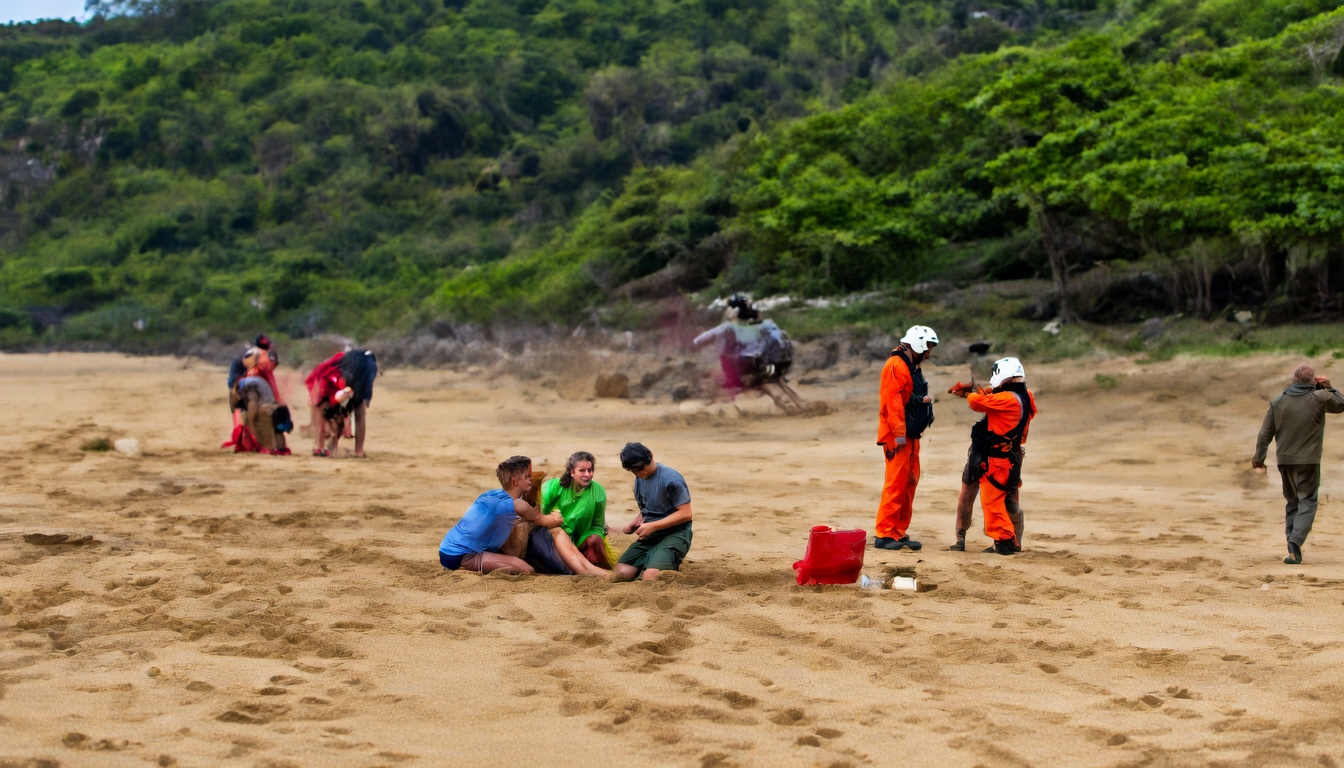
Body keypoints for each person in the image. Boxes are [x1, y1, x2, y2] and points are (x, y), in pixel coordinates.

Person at [438, 456, 609, 576]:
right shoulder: (517, 504)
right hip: (463, 556)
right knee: (525, 569)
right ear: (515, 482)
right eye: (527, 477)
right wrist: (554, 517)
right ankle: (467, 568)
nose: (530, 480)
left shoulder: (491, 494)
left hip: (447, 548)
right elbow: (546, 520)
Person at [1252, 363, 1344, 564]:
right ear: (1313, 382)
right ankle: (1295, 540)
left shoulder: (1278, 402)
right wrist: (1328, 386)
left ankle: (1292, 549)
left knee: (1292, 502)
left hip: (1285, 462)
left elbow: (1264, 435)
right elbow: (1341, 405)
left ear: (1294, 381)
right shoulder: (1319, 397)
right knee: (1308, 501)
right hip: (1309, 461)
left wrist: (1259, 459)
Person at [949, 357, 1037, 555]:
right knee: (1008, 501)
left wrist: (969, 393)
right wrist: (980, 390)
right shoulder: (1025, 395)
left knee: (991, 501)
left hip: (995, 459)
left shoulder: (1007, 400)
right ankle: (1011, 541)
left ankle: (1004, 540)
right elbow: (993, 398)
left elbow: (979, 403)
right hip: (1010, 456)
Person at [874, 325, 938, 551]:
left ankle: (898, 531)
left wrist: (923, 403)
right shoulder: (896, 365)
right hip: (898, 435)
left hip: (910, 434)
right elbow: (892, 403)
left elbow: (907, 398)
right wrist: (899, 435)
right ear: (919, 343)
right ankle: (884, 533)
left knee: (910, 481)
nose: (929, 352)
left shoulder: (911, 366)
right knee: (896, 482)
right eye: (928, 346)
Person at [613, 442, 693, 581]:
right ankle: (654, 561)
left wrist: (653, 526)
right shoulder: (639, 478)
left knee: (650, 577)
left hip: (675, 533)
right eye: (633, 470)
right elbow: (648, 507)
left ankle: (658, 563)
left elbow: (686, 514)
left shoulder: (672, 479)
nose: (638, 473)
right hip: (650, 534)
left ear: (650, 456)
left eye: (640, 468)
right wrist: (636, 522)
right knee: (621, 574)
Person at [540, 451, 613, 568]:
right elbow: (539, 515)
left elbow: (597, 526)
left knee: (595, 540)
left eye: (590, 470)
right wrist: (553, 521)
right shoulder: (553, 487)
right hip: (558, 536)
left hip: (582, 538)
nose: (588, 474)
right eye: (582, 470)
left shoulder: (598, 490)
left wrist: (593, 542)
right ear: (572, 472)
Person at [305, 349, 376, 457]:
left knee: (356, 412)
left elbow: (359, 412)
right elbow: (319, 405)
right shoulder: (329, 373)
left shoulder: (364, 374)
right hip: (328, 389)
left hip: (348, 386)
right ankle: (321, 446)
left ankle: (357, 450)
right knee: (328, 411)